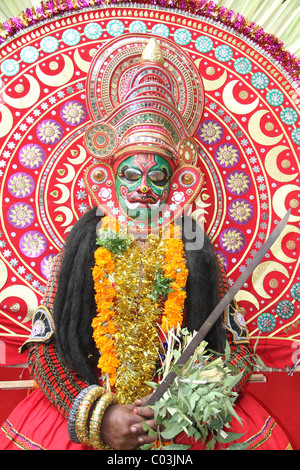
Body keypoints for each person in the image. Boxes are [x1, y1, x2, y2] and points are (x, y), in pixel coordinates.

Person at [0, 35, 292, 451]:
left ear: (175, 184)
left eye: (157, 178)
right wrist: (95, 415)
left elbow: (238, 350)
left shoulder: (194, 244)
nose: (143, 190)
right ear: (110, 179)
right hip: (96, 410)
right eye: (131, 177)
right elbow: (45, 350)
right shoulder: (85, 241)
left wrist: (190, 398)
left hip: (180, 419)